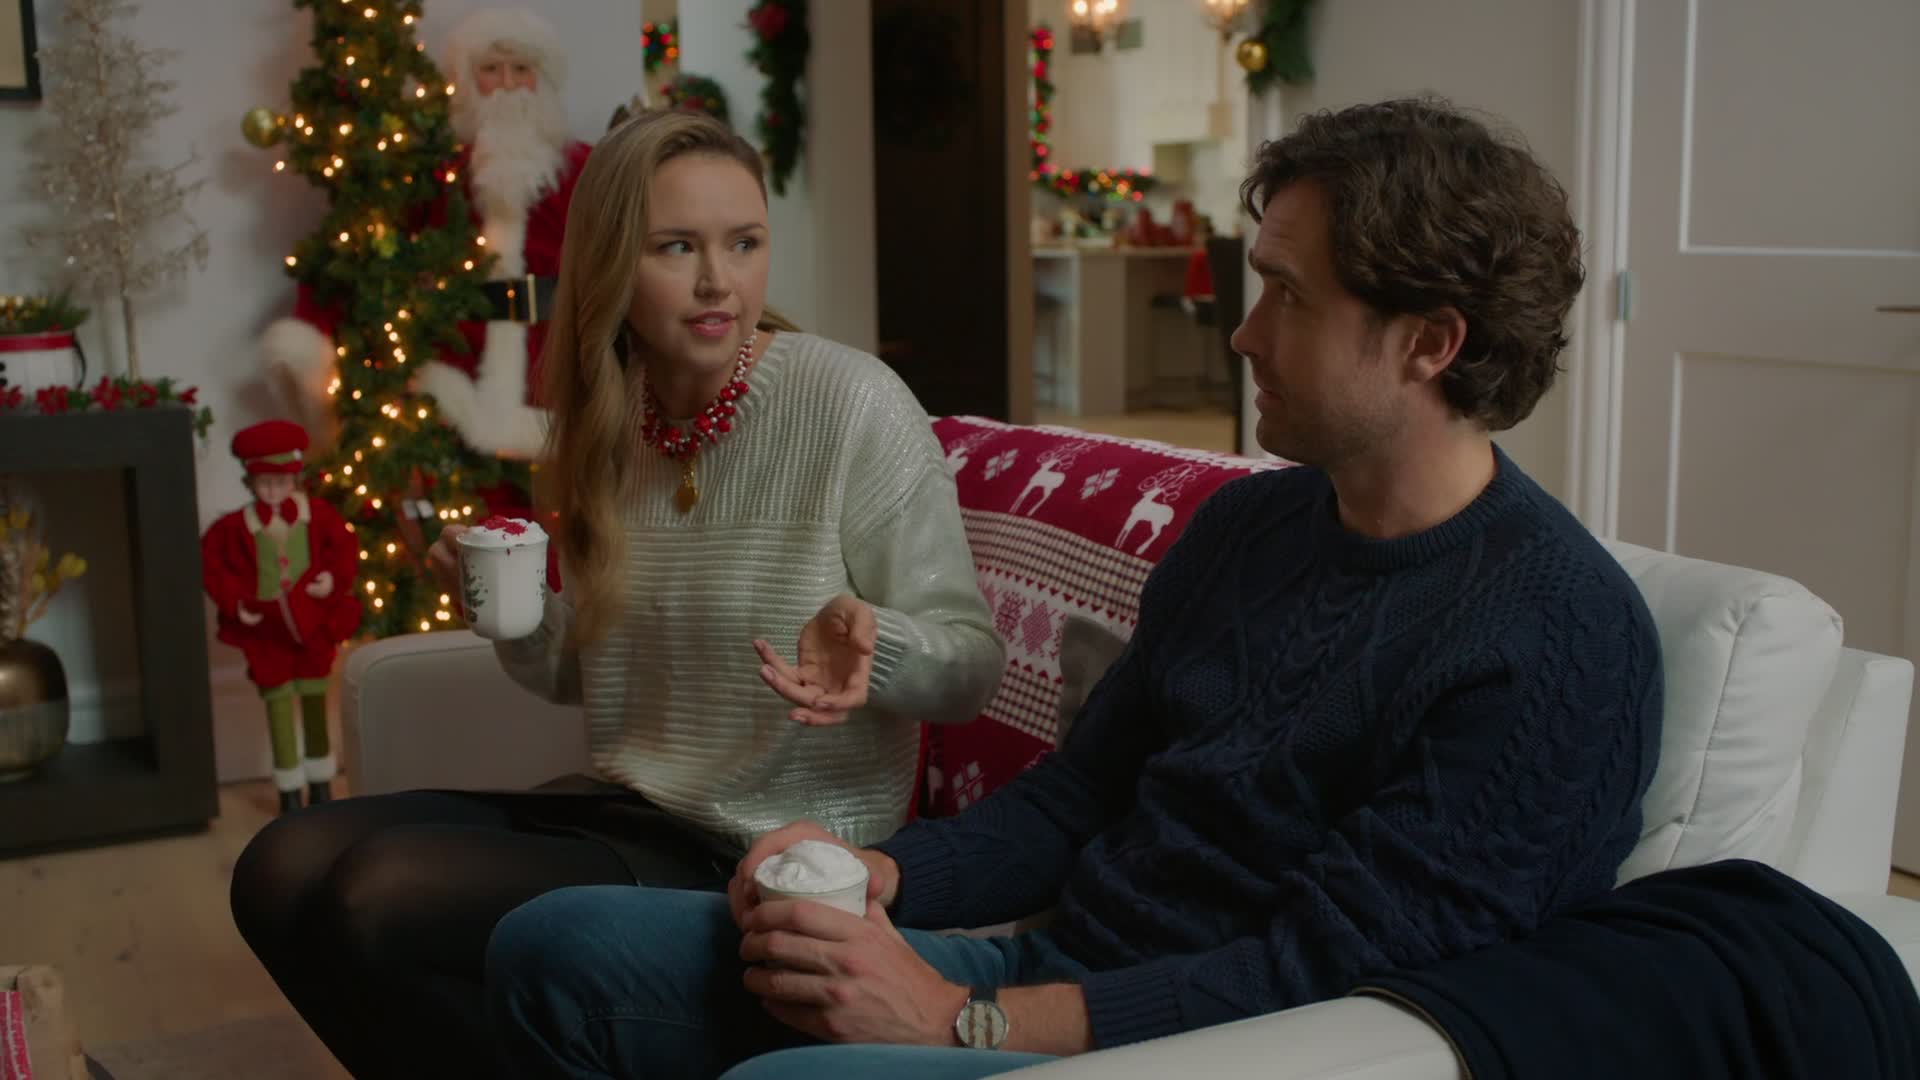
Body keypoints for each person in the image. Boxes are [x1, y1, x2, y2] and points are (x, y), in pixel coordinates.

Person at [482, 96, 1667, 1080]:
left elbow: (1320, 976)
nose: (1244, 336)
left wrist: (956, 1020)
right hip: (1044, 979)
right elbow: (1077, 799)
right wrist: (889, 875)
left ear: (1430, 342)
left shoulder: (1555, 635)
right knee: (558, 946)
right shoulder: (1250, 527)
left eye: (1289, 296)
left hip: (1199, 1048)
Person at [228, 109, 1004, 1080]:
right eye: (677, 247)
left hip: (762, 854)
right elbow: (579, 671)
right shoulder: (608, 416)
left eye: (745, 243)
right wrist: (505, 615)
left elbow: (972, 667)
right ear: (610, 265)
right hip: (623, 811)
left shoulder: (851, 403)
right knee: (277, 870)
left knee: (377, 894)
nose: (720, 282)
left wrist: (877, 646)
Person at [261, 7, 592, 458]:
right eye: (491, 70)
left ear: (543, 79)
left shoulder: (585, 171)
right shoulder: (438, 176)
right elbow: (371, 256)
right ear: (469, 82)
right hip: (461, 369)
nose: (508, 83)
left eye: (521, 69)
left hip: (556, 364)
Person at [201, 420, 362, 814]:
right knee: (277, 705)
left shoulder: (318, 516)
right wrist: (236, 602)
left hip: (313, 627)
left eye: (281, 482)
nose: (274, 491)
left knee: (314, 698)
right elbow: (211, 566)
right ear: (250, 482)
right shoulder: (234, 528)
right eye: (265, 483)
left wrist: (332, 578)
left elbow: (344, 548)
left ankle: (321, 783)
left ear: (295, 479)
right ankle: (289, 790)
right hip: (267, 632)